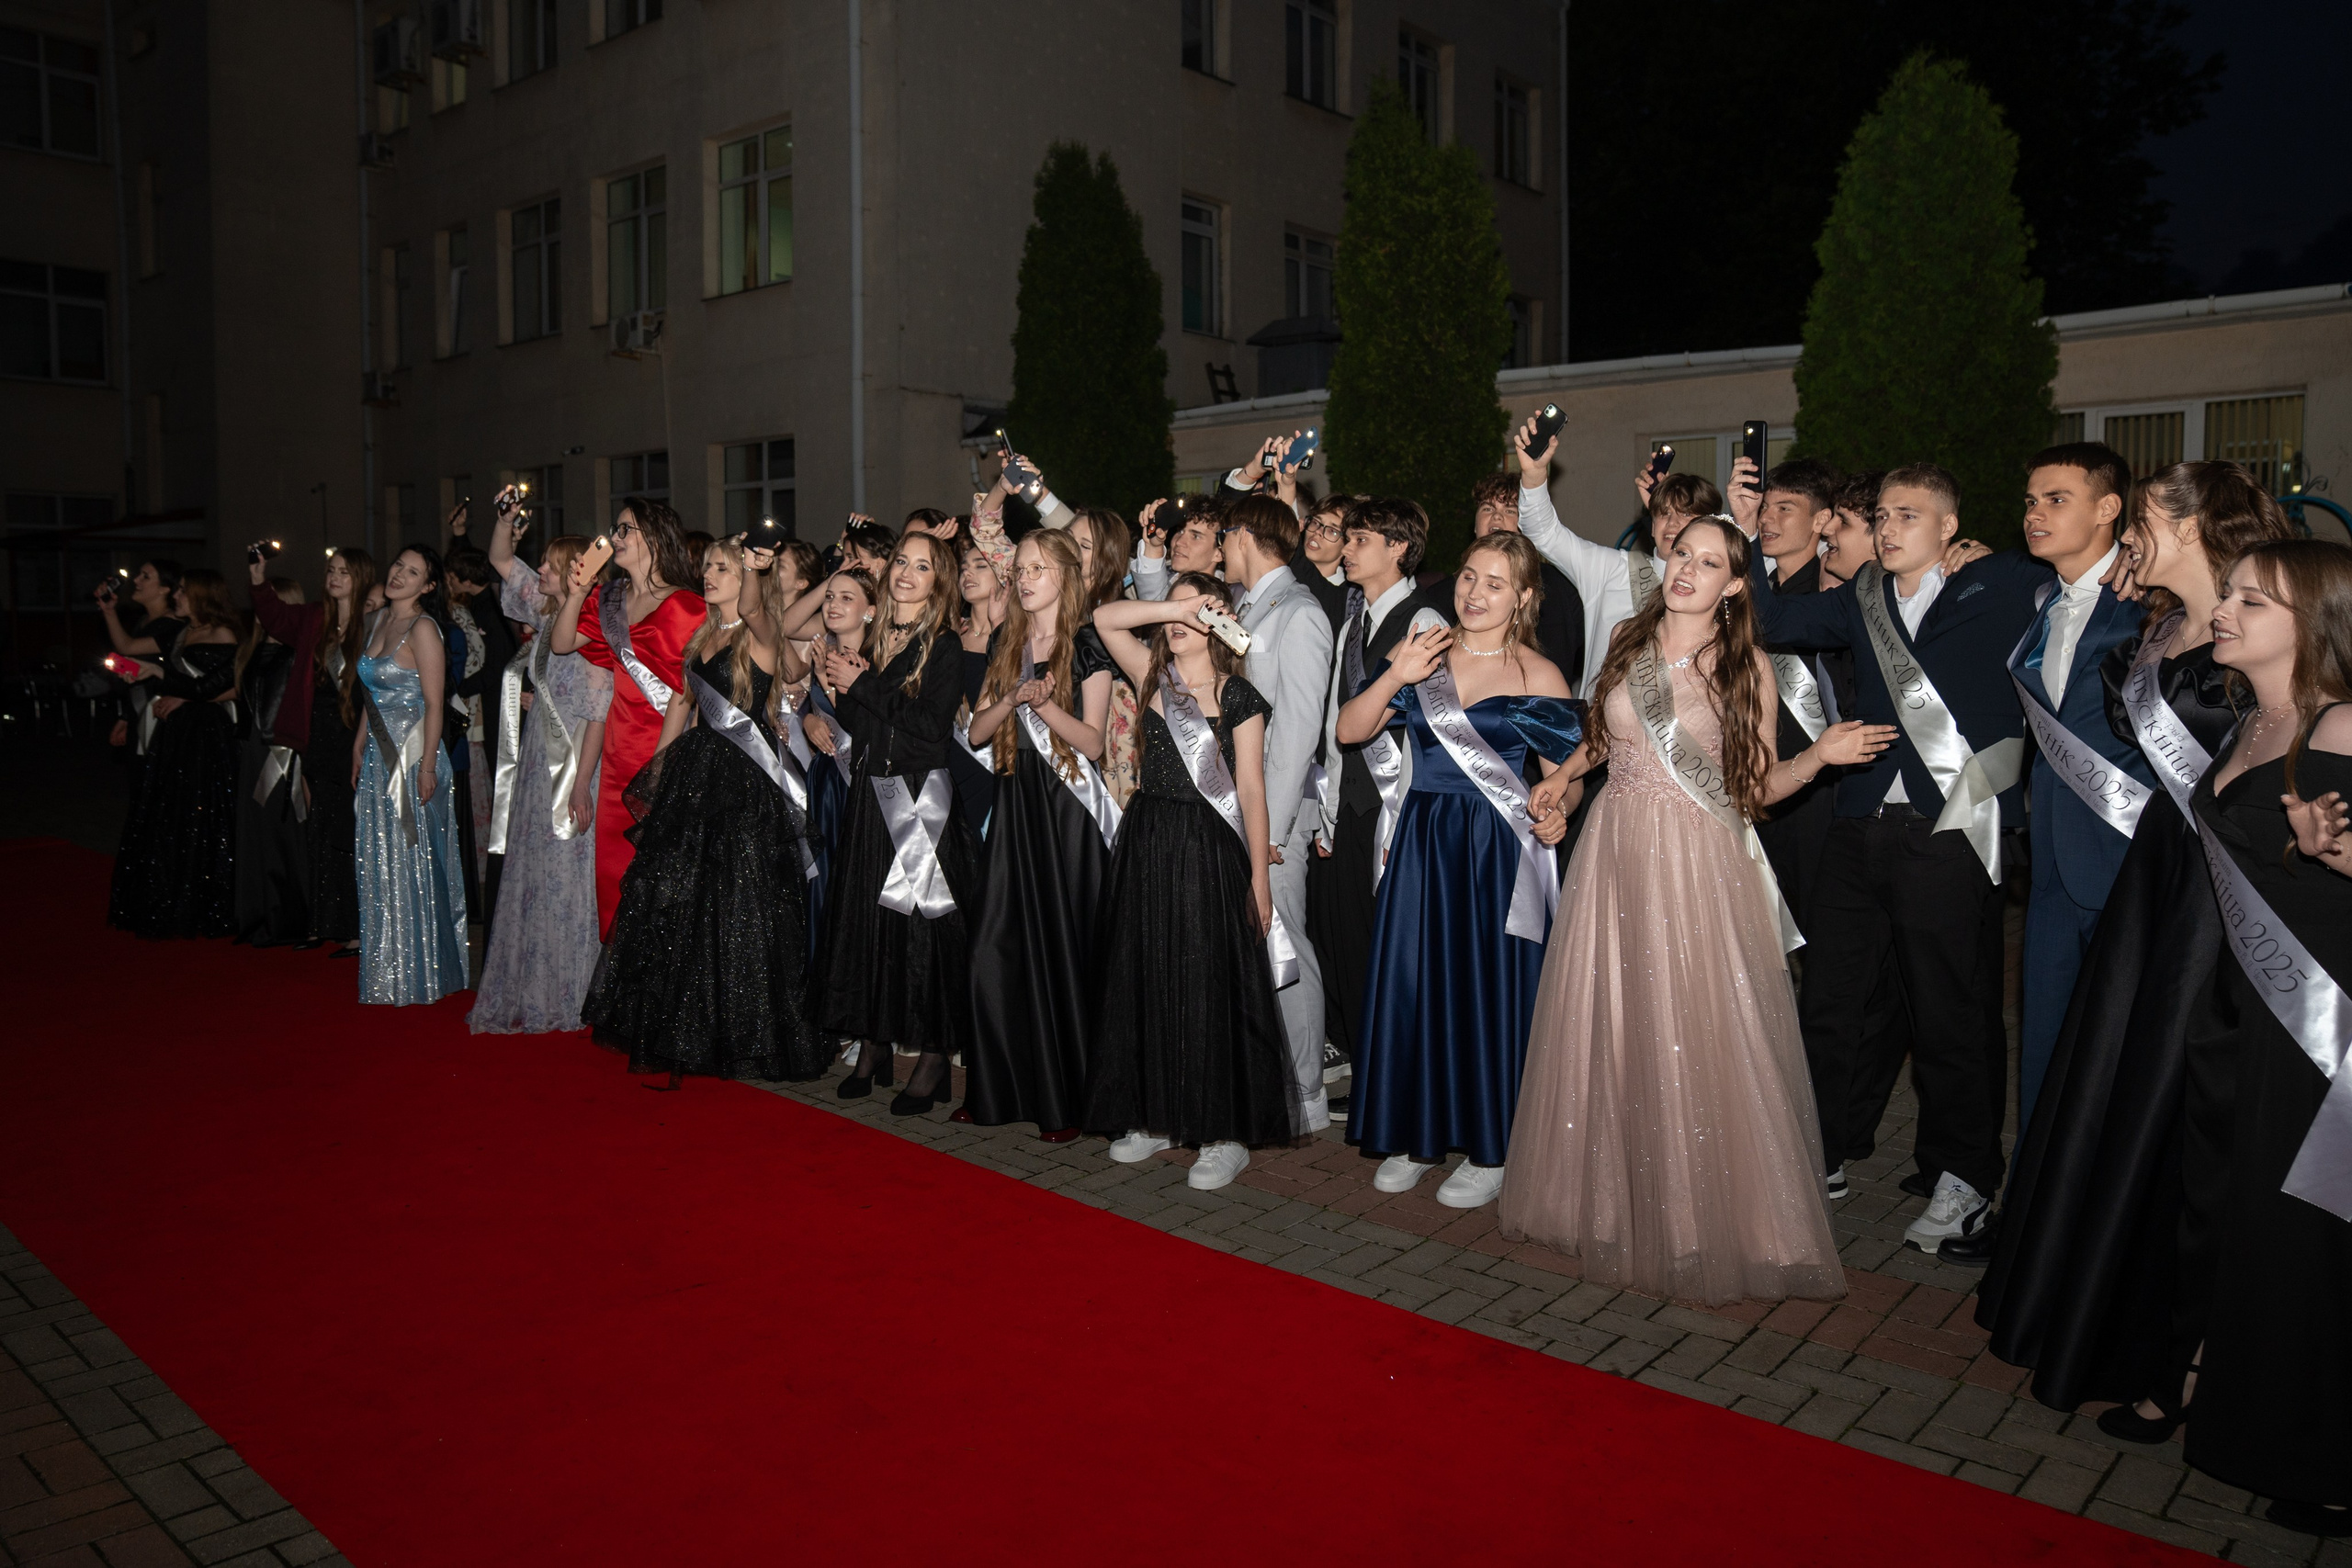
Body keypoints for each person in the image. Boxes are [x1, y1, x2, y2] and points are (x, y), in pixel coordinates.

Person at [1977, 462, 2295, 1423]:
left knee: (2180, 1107)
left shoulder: (2261, 628)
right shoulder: (2161, 624)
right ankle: (2093, 1307)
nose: (2131, 541)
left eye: (2145, 521)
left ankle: (2181, 1352)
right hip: (2154, 878)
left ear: (2191, 526)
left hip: (2211, 890)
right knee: (2113, 1090)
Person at [1506, 518, 1886, 1299]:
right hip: (1614, 848)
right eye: (1683, 553)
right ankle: (1612, 1200)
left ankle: (1696, 1217)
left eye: (1710, 562)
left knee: (1691, 1026)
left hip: (1693, 861)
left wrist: (1818, 758)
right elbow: (1605, 736)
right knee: (1613, 1019)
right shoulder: (1628, 637)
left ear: (1735, 585)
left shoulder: (1746, 665)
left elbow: (1757, 789)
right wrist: (1564, 775)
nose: (1687, 569)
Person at [1742, 465, 2046, 1255]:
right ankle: (1819, 1151)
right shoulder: (1862, 595)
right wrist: (1747, 532)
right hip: (1858, 825)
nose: (1888, 528)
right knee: (1831, 998)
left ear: (1950, 526)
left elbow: (2082, 588)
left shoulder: (2002, 582)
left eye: (1908, 515)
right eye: (1881, 515)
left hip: (1952, 827)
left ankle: (1964, 1179)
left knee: (1952, 1009)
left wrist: (2001, 553)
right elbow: (1769, 618)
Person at [2175, 540, 2352, 1536]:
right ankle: (2246, 1398)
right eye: (2230, 593)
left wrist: (2342, 854)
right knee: (2252, 1211)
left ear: (2313, 620)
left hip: (2322, 1015)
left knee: (2315, 1231)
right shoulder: (2252, 718)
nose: (2226, 609)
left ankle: (2332, 1460)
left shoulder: (2344, 725)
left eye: (2252, 600)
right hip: (2247, 1005)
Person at [1340, 533, 1580, 1208]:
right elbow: (1351, 730)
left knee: (1486, 988)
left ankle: (1490, 1145)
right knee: (1417, 982)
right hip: (1424, 841)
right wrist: (1396, 674)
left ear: (1523, 598)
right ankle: (1414, 1132)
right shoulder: (1423, 654)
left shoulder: (1538, 673)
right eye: (1470, 576)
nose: (1475, 593)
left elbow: (1565, 778)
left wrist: (1557, 809)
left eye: (1495, 583)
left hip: (1496, 851)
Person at [583, 536, 825, 1085]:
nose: (709, 575)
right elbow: (683, 703)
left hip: (744, 782)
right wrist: (660, 773)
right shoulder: (703, 634)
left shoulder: (760, 632)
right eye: (709, 566)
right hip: (696, 774)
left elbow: (755, 609)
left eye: (722, 568)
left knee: (741, 906)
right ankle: (685, 1029)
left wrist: (756, 570)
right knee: (685, 907)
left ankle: (745, 1034)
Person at [1085, 575, 1295, 1190]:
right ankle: (1158, 1115)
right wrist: (1174, 606)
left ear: (1220, 622)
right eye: (1175, 608)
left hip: (1208, 848)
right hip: (1149, 842)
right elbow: (1104, 619)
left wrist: (1259, 881)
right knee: (1148, 975)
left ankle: (1223, 1133)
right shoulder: (1152, 675)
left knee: (1208, 983)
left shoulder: (1238, 694)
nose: (1179, 620)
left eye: (1195, 609)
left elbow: (1251, 791)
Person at [809, 532, 977, 1114]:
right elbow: (865, 721)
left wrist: (861, 683)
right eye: (901, 561)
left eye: (922, 566)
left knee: (924, 936)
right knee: (874, 929)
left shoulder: (944, 644)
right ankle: (876, 1045)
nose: (906, 572)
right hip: (870, 798)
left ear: (939, 580)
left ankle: (933, 1057)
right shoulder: (878, 636)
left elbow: (929, 727)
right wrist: (837, 690)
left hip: (919, 801)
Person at [959, 530, 1119, 1138]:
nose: (1024, 580)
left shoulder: (1087, 644)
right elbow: (977, 732)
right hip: (1016, 803)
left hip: (1067, 811)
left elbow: (1094, 742)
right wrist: (1013, 700)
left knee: (1065, 949)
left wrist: (1045, 707)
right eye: (1020, 569)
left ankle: (1068, 1101)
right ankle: (997, 1087)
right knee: (994, 947)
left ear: (1065, 576)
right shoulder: (1008, 641)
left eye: (1037, 569)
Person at [469, 492, 614, 1034]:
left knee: (563, 878)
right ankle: (531, 982)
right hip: (535, 762)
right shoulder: (549, 612)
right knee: (533, 875)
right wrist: (504, 520)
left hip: (573, 768)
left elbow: (597, 717)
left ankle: (570, 990)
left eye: (553, 565)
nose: (543, 571)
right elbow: (501, 560)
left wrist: (580, 786)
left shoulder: (592, 629)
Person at [1218, 494, 1339, 1130]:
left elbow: (1297, 732)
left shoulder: (1301, 612)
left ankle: (1307, 1090)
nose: (1220, 546)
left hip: (1274, 817)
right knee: (1252, 946)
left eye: (1224, 534)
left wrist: (1275, 828)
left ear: (1245, 535)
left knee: (1284, 944)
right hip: (1232, 805)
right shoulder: (1243, 607)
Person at [1308, 499, 1436, 1079]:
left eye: (1361, 539)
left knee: (1389, 950)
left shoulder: (1424, 619)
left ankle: (1393, 1076)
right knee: (1349, 944)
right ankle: (1365, 1071)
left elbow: (1424, 730)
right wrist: (1331, 810)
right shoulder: (1353, 621)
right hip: (1354, 807)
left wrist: (1398, 819)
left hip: (1395, 807)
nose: (1348, 549)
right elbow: (1336, 726)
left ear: (1399, 548)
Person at [548, 496, 707, 937]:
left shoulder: (689, 607)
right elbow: (561, 644)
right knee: (616, 880)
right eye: (615, 529)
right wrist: (576, 594)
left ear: (654, 537)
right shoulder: (609, 599)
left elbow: (688, 695)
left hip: (664, 754)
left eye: (625, 530)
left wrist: (665, 766)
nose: (615, 538)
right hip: (617, 761)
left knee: (659, 881)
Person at [1510, 413, 1725, 696]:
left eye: (1686, 514)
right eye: (1663, 513)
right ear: (1652, 525)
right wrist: (1534, 474)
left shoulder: (1721, 587)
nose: (1672, 523)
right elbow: (1543, 533)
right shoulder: (1613, 569)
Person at [352, 545, 468, 1006]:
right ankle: (387, 968)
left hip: (414, 756)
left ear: (428, 586)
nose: (399, 574)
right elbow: (371, 693)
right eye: (398, 565)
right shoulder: (378, 619)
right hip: (377, 758)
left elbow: (436, 704)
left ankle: (423, 972)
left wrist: (427, 768)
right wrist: (358, 742)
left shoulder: (423, 628)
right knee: (379, 858)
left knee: (414, 862)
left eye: (413, 572)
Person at [247, 546, 377, 955]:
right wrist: (258, 578)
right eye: (331, 570)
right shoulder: (314, 618)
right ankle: (324, 922)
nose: (334, 577)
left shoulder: (373, 623)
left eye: (344, 572)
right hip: (316, 735)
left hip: (352, 735)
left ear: (359, 577)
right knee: (319, 828)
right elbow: (274, 618)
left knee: (349, 830)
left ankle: (357, 927)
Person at [106, 570, 248, 938]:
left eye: (183, 591)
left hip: (207, 736)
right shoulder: (181, 632)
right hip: (176, 733)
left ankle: (206, 902)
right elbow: (171, 674)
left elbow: (217, 687)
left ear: (202, 594)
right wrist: (142, 674)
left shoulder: (224, 633)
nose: (177, 596)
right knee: (169, 813)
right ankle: (168, 896)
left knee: (204, 814)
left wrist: (159, 674)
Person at [1752, 457, 1845, 935]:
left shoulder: (1835, 590)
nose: (1767, 519)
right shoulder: (1757, 588)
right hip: (1758, 778)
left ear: (1822, 519)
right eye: (1764, 508)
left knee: (1821, 929)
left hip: (1818, 787)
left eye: (1785, 508)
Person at [782, 564, 878, 959]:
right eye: (830, 598)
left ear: (870, 610)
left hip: (860, 781)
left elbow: (862, 722)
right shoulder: (825, 647)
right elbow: (785, 624)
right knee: (823, 876)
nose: (833, 604)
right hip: (826, 783)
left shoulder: (878, 658)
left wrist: (825, 680)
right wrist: (807, 718)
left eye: (846, 598)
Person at [230, 575, 311, 946]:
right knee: (255, 835)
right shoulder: (251, 649)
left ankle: (286, 919)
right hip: (251, 749)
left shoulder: (300, 653)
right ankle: (257, 915)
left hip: (281, 752)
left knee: (281, 836)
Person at [1470, 470, 1587, 688]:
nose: (1496, 516)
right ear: (1475, 525)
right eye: (1488, 508)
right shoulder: (1450, 594)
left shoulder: (1561, 589)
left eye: (1509, 510)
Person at [948, 531, 1010, 840]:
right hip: (949, 763)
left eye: (979, 566)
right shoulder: (947, 635)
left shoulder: (1014, 639)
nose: (967, 573)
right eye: (963, 568)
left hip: (993, 767)